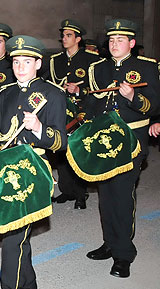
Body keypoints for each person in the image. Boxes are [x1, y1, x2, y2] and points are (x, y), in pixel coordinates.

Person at [0, 35, 66, 289]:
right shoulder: (3, 95)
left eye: (26, 62)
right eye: (16, 62)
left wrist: (40, 128)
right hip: (7, 170)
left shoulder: (52, 94)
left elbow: (60, 142)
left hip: (33, 171)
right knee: (18, 239)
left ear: (38, 64)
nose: (20, 68)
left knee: (13, 239)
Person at [84, 19, 160, 279]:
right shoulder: (98, 68)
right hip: (103, 143)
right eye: (112, 40)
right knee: (105, 197)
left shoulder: (147, 68)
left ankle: (124, 254)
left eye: (121, 40)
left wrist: (133, 98)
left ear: (132, 43)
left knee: (122, 196)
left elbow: (153, 107)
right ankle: (109, 243)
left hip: (131, 141)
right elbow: (91, 104)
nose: (115, 44)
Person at [48, 19, 101, 209]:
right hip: (60, 110)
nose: (64, 38)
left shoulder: (91, 59)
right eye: (63, 35)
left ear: (78, 38)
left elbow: (98, 88)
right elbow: (48, 83)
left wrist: (79, 91)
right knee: (60, 148)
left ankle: (80, 193)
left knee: (78, 151)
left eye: (68, 35)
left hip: (81, 110)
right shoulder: (55, 60)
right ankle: (66, 190)